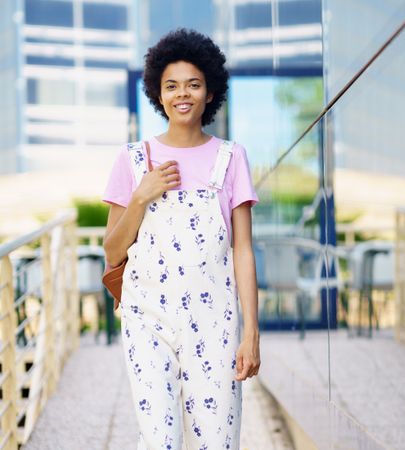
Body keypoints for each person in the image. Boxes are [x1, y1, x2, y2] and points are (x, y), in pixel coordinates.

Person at [102, 29, 259, 450]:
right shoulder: (133, 160)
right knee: (159, 440)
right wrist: (141, 196)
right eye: (171, 86)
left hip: (216, 323)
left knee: (218, 440)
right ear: (158, 92)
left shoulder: (231, 157)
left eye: (193, 84)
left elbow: (242, 250)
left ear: (210, 92)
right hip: (146, 318)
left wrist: (251, 332)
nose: (182, 94)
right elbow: (113, 251)